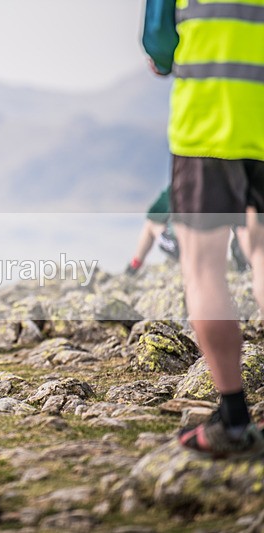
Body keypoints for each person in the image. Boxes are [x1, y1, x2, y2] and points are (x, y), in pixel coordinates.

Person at [143, 0, 264, 456]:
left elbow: (159, 44)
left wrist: (161, 59)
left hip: (209, 128)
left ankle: (233, 419)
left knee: (203, 269)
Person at [126, 185, 180, 275]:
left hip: (186, 248)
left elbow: (153, 215)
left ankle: (134, 266)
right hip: (208, 244)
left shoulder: (181, 180)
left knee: (150, 225)